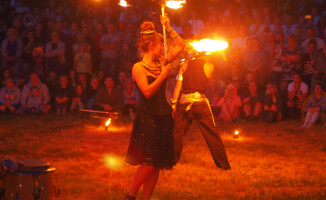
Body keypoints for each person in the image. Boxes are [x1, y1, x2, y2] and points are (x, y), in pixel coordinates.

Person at [125, 16, 185, 200]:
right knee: (149, 161)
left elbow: (181, 45)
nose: (163, 48)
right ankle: (131, 195)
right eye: (160, 45)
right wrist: (163, 75)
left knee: (157, 162)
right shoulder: (138, 68)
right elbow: (148, 92)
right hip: (148, 118)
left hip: (164, 117)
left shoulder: (162, 62)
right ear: (151, 46)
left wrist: (169, 28)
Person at [171, 53, 231, 170]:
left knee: (176, 133)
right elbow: (207, 79)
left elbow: (178, 85)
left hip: (184, 103)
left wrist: (174, 104)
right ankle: (223, 165)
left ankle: (170, 162)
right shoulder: (209, 65)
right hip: (200, 104)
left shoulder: (184, 64)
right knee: (211, 134)